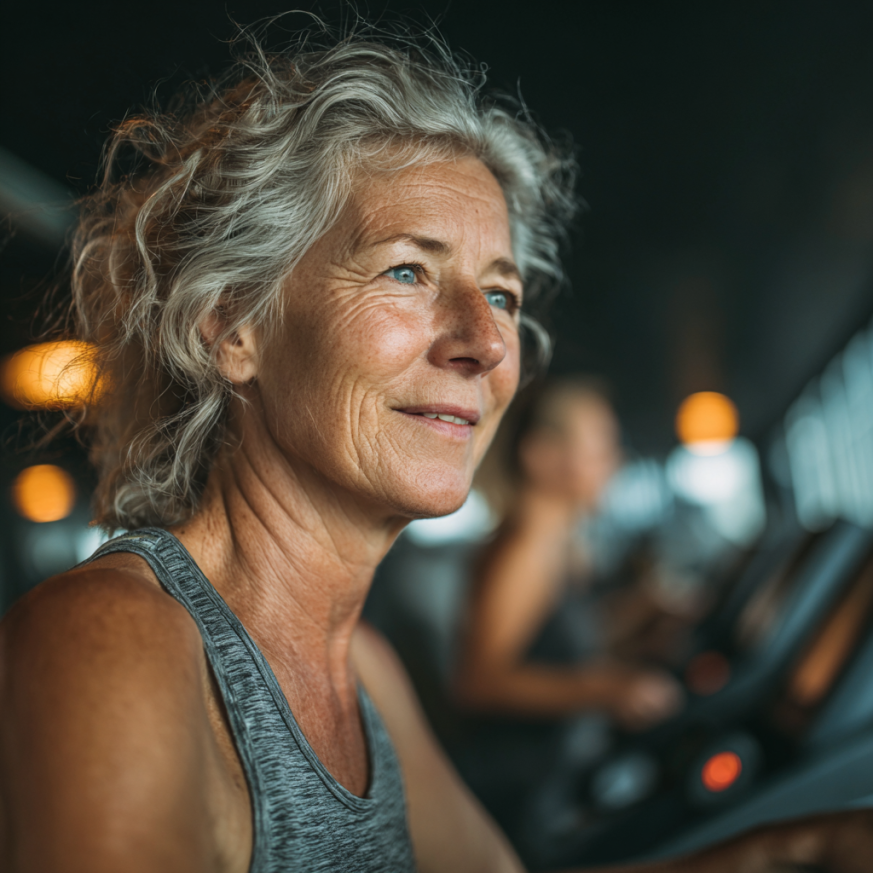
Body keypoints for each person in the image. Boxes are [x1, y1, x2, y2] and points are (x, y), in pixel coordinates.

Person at [0, 22, 870, 873]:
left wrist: (796, 846)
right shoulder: (114, 638)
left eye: (499, 294)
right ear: (232, 329)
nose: (485, 343)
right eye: (406, 271)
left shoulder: (364, 668)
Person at [457, 377, 683, 732]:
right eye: (600, 450)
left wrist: (636, 616)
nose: (614, 462)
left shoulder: (559, 546)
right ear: (542, 456)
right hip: (523, 776)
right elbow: (479, 684)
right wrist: (609, 690)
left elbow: (552, 649)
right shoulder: (524, 551)